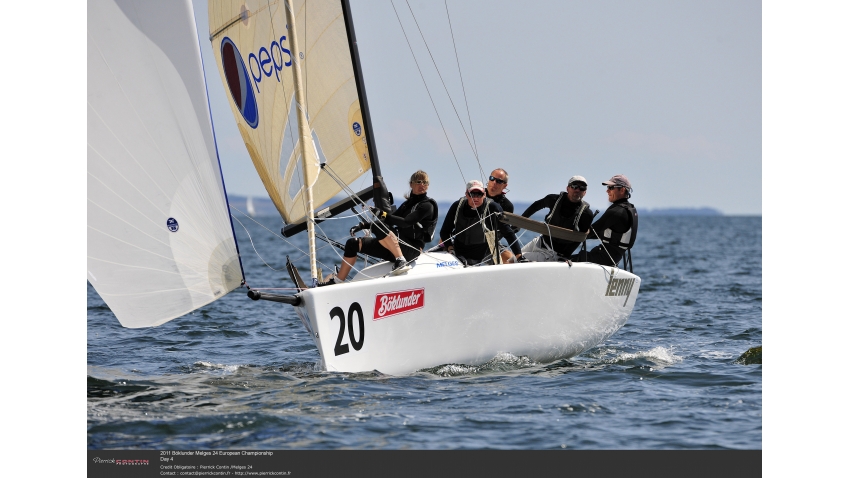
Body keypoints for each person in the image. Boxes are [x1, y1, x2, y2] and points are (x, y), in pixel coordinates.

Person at [319, 170, 438, 286]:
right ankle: (338, 281)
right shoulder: (407, 204)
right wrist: (363, 225)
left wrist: (382, 214)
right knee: (352, 243)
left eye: (425, 182)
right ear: (411, 184)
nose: (422, 185)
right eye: (418, 182)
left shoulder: (427, 206)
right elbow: (389, 219)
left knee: (380, 226)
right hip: (394, 247)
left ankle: (401, 261)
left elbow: (406, 222)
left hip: (412, 250)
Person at [438, 180, 522, 266]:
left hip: (485, 251)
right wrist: (450, 248)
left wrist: (519, 256)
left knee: (507, 258)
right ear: (466, 194)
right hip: (459, 252)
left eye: (479, 194)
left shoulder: (493, 207)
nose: (476, 198)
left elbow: (508, 233)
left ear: (484, 194)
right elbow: (444, 231)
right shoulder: (457, 206)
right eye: (472, 194)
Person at [519, 175, 595, 262]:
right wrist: (520, 222)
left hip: (553, 254)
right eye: (574, 186)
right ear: (567, 188)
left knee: (513, 260)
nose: (578, 190)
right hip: (540, 241)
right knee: (511, 258)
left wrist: (565, 256)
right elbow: (536, 206)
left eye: (582, 188)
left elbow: (579, 239)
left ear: (585, 192)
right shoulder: (553, 199)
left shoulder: (586, 214)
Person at [570, 174, 638, 268]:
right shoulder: (629, 209)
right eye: (607, 187)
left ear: (622, 190)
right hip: (613, 259)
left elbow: (590, 232)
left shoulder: (617, 212)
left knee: (564, 260)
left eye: (611, 187)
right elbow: (601, 233)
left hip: (603, 259)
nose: (607, 190)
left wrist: (567, 233)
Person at [485, 168, 522, 263]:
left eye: (499, 181)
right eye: (492, 178)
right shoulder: (476, 195)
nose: (494, 182)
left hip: (491, 243)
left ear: (505, 185)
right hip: (468, 240)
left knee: (512, 262)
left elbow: (505, 231)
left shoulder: (507, 205)